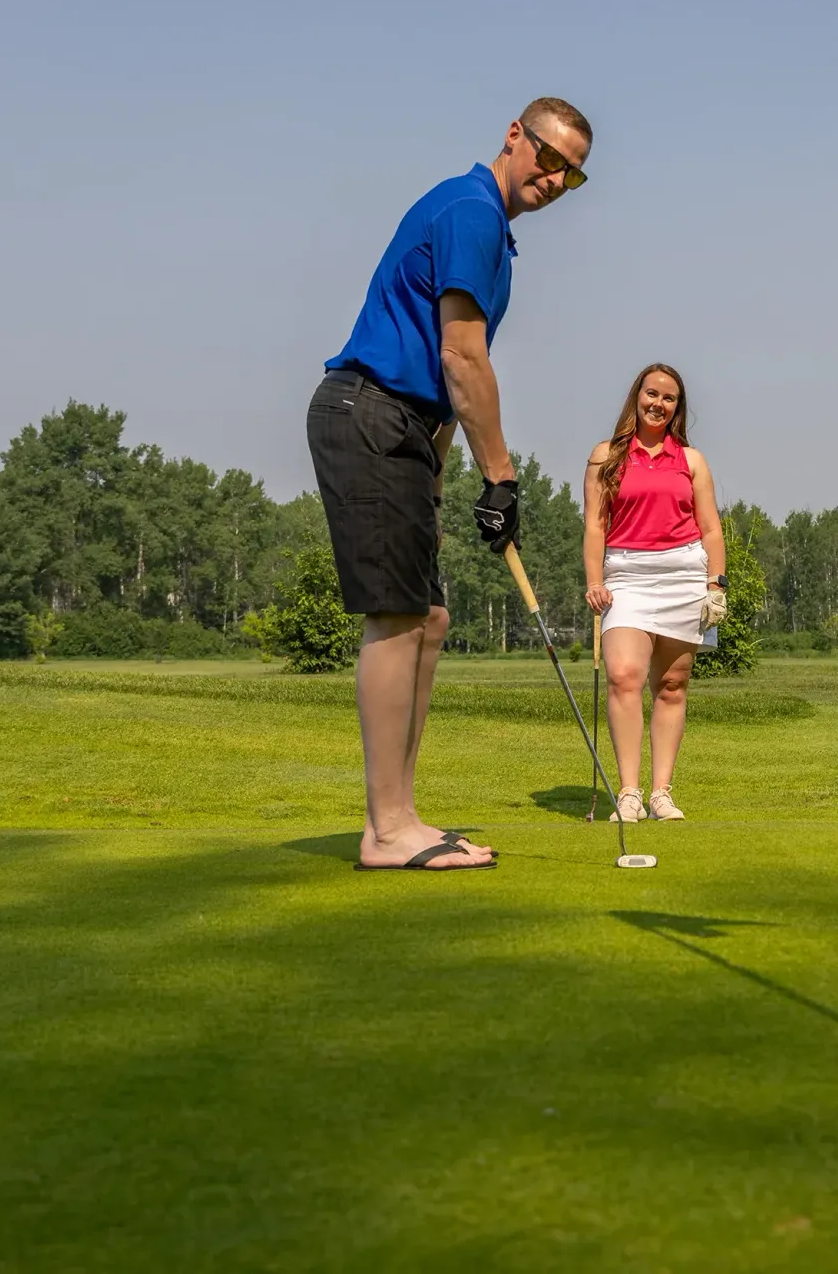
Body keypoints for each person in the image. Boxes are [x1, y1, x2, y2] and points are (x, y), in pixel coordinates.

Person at [307, 98, 592, 871]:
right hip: (369, 412)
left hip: (402, 429)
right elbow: (462, 359)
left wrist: (437, 475)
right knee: (397, 619)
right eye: (548, 157)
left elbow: (443, 376)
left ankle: (400, 814)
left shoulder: (488, 228)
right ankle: (387, 829)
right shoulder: (469, 210)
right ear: (513, 137)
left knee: (428, 618)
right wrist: (502, 477)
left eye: (573, 172)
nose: (556, 178)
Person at [581, 364, 727, 823]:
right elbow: (595, 526)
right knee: (624, 674)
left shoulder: (692, 460)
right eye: (652, 393)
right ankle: (628, 792)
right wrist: (594, 581)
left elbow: (710, 528)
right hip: (627, 574)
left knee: (671, 685)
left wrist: (715, 586)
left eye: (669, 398)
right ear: (636, 396)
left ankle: (661, 792)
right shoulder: (606, 456)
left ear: (677, 408)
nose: (658, 404)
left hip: (685, 574)